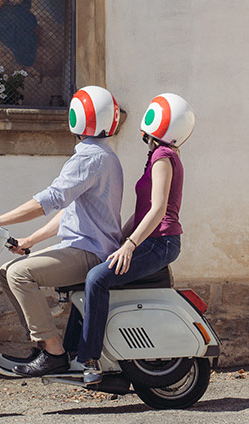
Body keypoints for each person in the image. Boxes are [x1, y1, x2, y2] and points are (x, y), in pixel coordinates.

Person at [0, 85, 124, 377]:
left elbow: (48, 201)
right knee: (6, 272)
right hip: (85, 247)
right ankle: (44, 346)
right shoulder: (102, 155)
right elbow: (70, 213)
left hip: (91, 252)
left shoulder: (88, 157)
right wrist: (30, 240)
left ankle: (53, 352)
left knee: (19, 274)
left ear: (76, 118)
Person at [63, 93, 196, 385]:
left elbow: (158, 209)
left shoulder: (162, 157)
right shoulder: (160, 155)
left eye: (150, 117)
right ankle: (69, 352)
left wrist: (131, 245)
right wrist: (119, 240)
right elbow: (142, 213)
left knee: (98, 278)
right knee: (92, 273)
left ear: (161, 124)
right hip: (153, 240)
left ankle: (89, 358)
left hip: (160, 243)